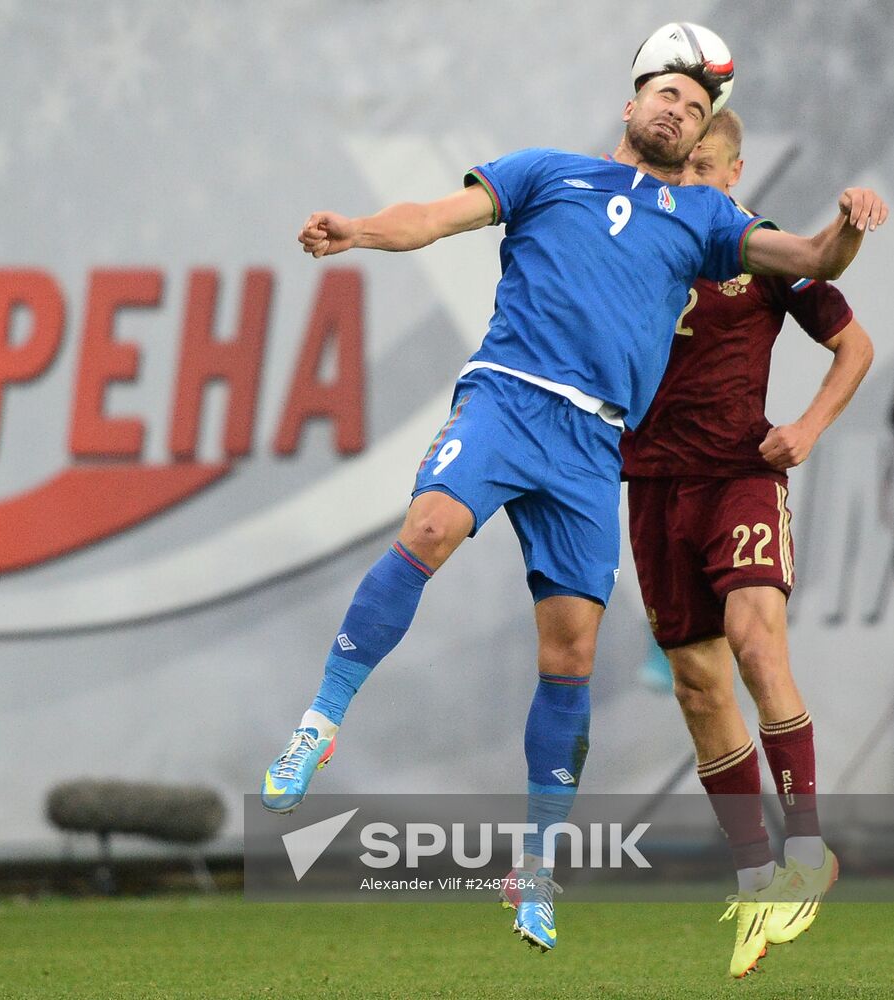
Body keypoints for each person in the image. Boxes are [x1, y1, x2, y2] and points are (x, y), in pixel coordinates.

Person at [262, 63, 886, 953]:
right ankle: (318, 726)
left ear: (724, 164)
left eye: (700, 123)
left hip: (659, 457)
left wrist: (847, 236)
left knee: (656, 647)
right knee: (447, 536)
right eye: (669, 103)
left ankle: (616, 866)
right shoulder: (556, 176)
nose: (681, 129)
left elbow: (819, 272)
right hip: (564, 430)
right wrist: (358, 229)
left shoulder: (717, 228)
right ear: (631, 105)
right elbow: (436, 217)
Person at [622, 108, 874, 978]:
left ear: (732, 175)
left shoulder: (754, 252)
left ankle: (806, 848)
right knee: (696, 685)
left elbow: (851, 341)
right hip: (651, 488)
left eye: (701, 170)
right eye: (674, 170)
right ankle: (755, 873)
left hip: (739, 476)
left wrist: (804, 427)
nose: (684, 184)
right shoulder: (629, 250)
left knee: (754, 641)